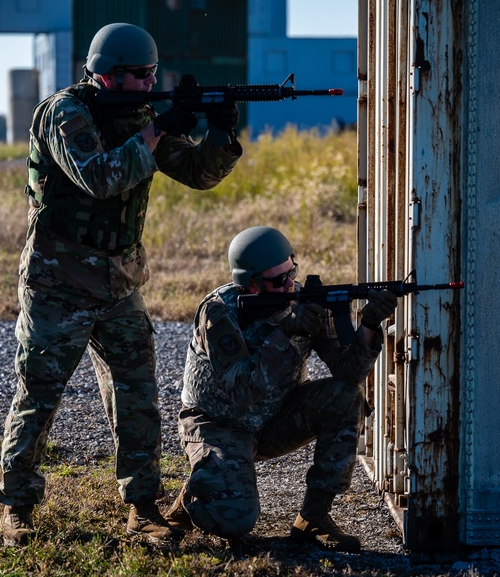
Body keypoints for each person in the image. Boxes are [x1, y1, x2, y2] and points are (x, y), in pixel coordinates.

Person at [0, 22, 242, 546]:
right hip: (58, 282)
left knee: (137, 396)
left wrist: (220, 132)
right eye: (140, 75)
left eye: (154, 73)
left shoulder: (140, 115)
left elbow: (199, 173)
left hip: (120, 283)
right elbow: (101, 177)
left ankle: (142, 506)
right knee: (39, 395)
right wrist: (157, 129)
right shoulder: (64, 114)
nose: (150, 83)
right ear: (108, 76)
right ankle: (16, 504)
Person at [165, 225, 398, 552]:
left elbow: (347, 374)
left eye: (292, 272)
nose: (290, 283)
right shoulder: (219, 313)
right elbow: (242, 393)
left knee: (345, 400)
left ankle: (313, 517)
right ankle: (195, 494)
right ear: (250, 283)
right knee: (234, 521)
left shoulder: (302, 299)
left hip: (275, 418)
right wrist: (286, 333)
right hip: (219, 425)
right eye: (278, 281)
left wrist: (370, 325)